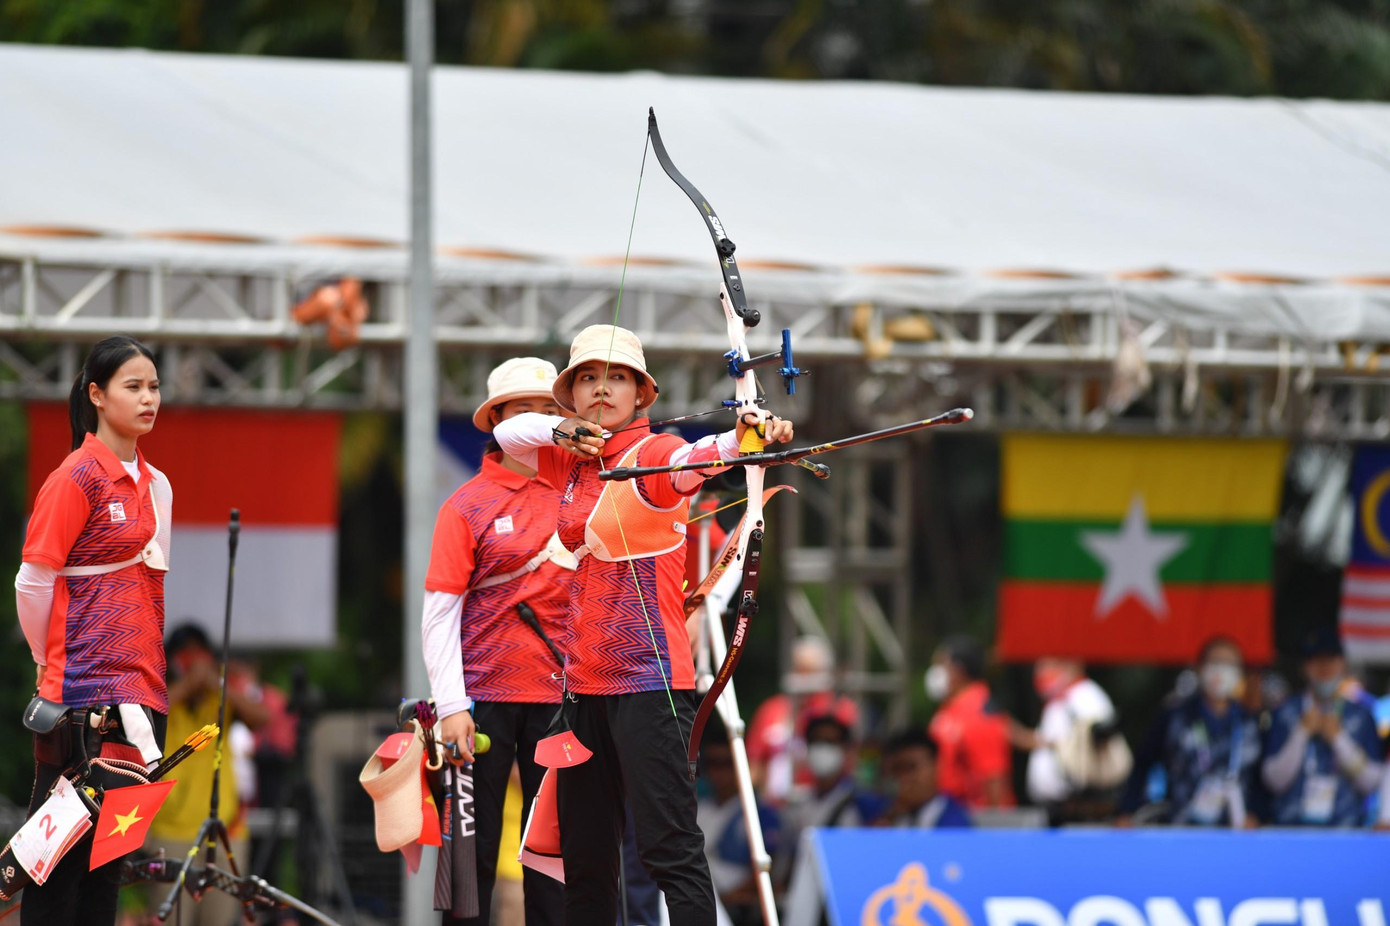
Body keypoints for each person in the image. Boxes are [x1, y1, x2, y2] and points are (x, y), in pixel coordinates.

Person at [493, 323, 797, 926]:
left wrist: (745, 439)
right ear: (571, 394)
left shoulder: (651, 454)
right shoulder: (565, 462)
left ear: (640, 393)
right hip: (580, 691)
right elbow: (508, 432)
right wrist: (559, 429)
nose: (600, 388)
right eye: (585, 378)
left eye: (616, 377)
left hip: (648, 687)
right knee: (584, 861)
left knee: (669, 851)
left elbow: (696, 459)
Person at [14, 335, 172, 925]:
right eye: (133, 386)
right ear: (97, 395)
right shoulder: (75, 477)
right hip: (80, 699)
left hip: (141, 695)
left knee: (108, 872)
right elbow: (32, 582)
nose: (148, 397)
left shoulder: (158, 486)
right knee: (55, 871)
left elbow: (153, 590)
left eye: (154, 386)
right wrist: (44, 661)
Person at [422, 356, 573, 926]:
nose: (540, 420)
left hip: (562, 700)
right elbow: (439, 612)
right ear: (499, 420)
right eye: (525, 410)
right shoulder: (466, 505)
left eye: (549, 409)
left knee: (554, 858)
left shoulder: (576, 486)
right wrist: (452, 707)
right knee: (470, 857)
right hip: (482, 701)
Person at [145, 624, 271, 926]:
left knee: (220, 920)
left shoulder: (222, 699)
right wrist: (189, 683)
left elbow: (262, 717)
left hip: (223, 833)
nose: (192, 659)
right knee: (170, 919)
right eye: (184, 653)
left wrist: (216, 683)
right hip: (169, 833)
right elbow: (148, 714)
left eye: (198, 652)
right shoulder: (159, 694)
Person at [1116, 637, 1261, 826]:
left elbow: (1262, 778)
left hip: (1236, 830)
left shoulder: (1249, 722)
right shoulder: (1175, 716)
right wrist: (1128, 809)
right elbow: (1143, 762)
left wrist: (1257, 812)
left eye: (1229, 664)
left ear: (1240, 673)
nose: (1221, 671)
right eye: (1215, 662)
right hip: (1182, 828)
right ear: (1200, 667)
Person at [1261, 628, 1383, 827]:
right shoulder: (1285, 713)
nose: (1324, 667)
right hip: (1291, 830)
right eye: (1316, 660)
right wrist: (1300, 734)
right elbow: (1273, 781)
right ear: (1304, 667)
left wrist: (1339, 740)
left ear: (1342, 664)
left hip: (1346, 830)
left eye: (1331, 659)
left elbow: (1371, 783)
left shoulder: (1361, 715)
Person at [773, 713, 884, 888]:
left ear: (847, 750)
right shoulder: (797, 806)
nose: (823, 749)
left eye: (831, 742)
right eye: (817, 742)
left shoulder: (866, 804)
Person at [745, 636, 859, 804]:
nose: (802, 677)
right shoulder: (772, 709)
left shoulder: (839, 710)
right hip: (772, 805)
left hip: (820, 803)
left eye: (809, 670)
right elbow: (754, 763)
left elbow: (851, 763)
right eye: (798, 669)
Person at [1012, 657, 1127, 821]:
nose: (1041, 672)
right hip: (1058, 805)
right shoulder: (1061, 698)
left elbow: (1098, 737)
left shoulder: (1086, 695)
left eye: (1048, 665)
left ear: (1072, 665)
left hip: (1080, 805)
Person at [695, 732, 781, 926]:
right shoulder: (699, 807)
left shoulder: (758, 812)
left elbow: (766, 867)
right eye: (712, 763)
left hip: (733, 908)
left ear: (741, 764)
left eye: (727, 763)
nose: (719, 771)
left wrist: (726, 900)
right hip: (699, 897)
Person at [925, 635, 1015, 809]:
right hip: (948, 814)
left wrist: (995, 826)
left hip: (970, 821)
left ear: (959, 669)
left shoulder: (980, 711)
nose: (936, 672)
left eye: (941, 664)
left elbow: (994, 778)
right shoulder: (951, 708)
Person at [875, 729, 972, 828]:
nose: (905, 778)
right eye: (897, 769)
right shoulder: (885, 816)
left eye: (911, 767)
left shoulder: (956, 824)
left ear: (936, 766)